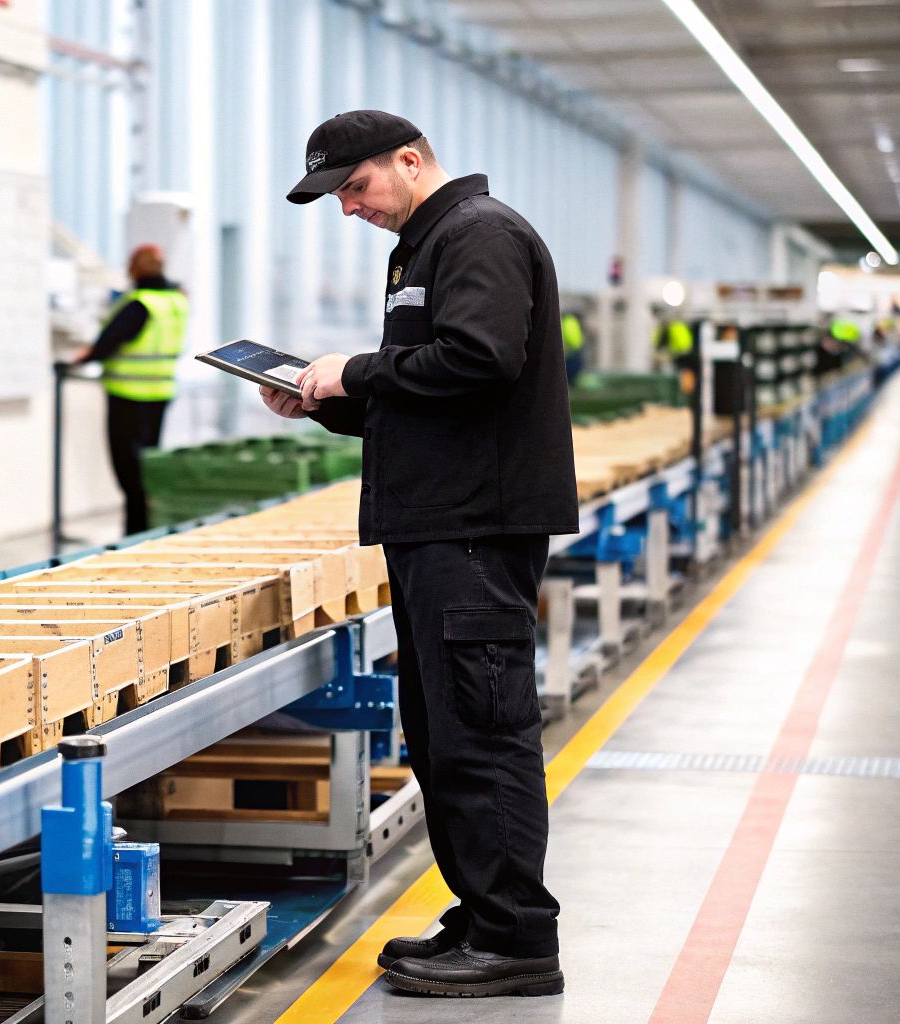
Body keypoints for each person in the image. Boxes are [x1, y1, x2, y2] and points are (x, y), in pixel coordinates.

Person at [267, 109, 574, 998]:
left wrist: (356, 369)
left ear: (410, 161)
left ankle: (518, 938)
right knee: (443, 735)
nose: (348, 208)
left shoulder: (479, 235)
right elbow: (429, 389)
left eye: (355, 187)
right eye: (335, 197)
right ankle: (483, 916)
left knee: (482, 732)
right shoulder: (424, 247)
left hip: (476, 525)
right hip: (438, 523)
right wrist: (324, 399)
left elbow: (480, 360)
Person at [74, 245, 189, 534]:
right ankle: (146, 531)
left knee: (130, 474)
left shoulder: (140, 303)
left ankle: (135, 534)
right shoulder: (176, 301)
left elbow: (109, 341)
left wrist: (86, 355)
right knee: (148, 469)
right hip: (160, 394)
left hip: (128, 396)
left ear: (134, 268)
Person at [560, 307, 586, 384]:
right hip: (575, 350)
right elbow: (574, 337)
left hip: (570, 351)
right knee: (572, 372)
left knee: (568, 372)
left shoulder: (566, 321)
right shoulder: (571, 321)